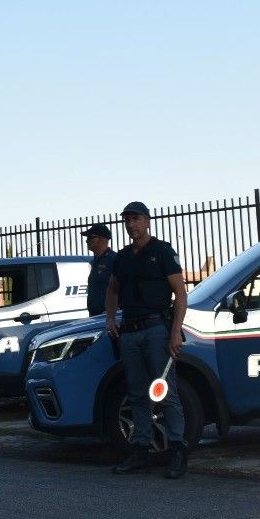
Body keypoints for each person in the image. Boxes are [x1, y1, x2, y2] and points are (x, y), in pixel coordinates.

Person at [103, 201, 190, 479]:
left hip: (156, 330)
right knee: (137, 393)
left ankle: (177, 450)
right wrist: (110, 318)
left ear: (147, 220)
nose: (131, 224)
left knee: (165, 391)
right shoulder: (123, 256)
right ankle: (140, 449)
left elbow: (180, 292)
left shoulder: (162, 251)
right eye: (127, 220)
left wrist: (175, 331)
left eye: (136, 219)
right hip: (129, 331)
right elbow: (113, 290)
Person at [82, 223, 114, 316]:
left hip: (107, 317)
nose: (87, 241)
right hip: (95, 316)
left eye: (90, 237)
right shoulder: (95, 261)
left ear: (102, 239)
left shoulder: (113, 260)